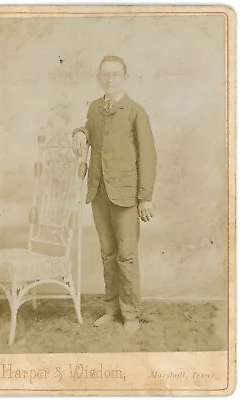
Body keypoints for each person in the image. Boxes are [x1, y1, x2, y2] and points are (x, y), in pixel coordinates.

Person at [72, 55, 157, 334]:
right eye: (105, 74)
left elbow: (147, 156)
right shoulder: (95, 108)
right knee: (108, 254)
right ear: (99, 77)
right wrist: (80, 133)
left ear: (125, 77)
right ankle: (111, 310)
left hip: (127, 195)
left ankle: (130, 315)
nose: (109, 79)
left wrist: (145, 197)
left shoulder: (136, 112)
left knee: (126, 256)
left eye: (115, 74)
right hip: (99, 192)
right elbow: (91, 129)